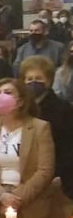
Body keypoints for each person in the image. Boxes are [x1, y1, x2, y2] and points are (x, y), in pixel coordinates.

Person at [0, 79, 55, 218]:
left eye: (8, 92)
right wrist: (1, 196)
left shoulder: (40, 128)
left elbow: (45, 170)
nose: (1, 96)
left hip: (29, 202)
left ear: (20, 101)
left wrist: (16, 198)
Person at [20, 56, 73, 203]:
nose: (33, 82)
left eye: (39, 78)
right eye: (29, 79)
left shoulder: (62, 108)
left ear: (49, 81)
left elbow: (67, 146)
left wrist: (57, 174)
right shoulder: (20, 108)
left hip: (56, 175)